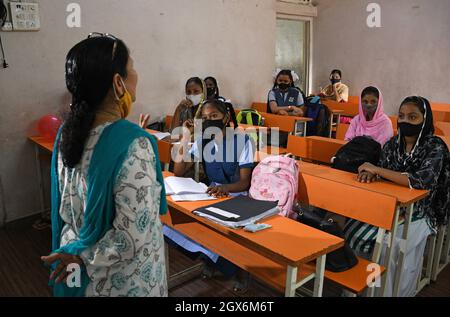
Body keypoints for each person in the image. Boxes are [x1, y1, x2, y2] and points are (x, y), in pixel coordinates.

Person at [41, 34, 168, 297]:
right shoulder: (133, 143)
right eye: (132, 68)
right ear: (118, 83)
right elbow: (132, 237)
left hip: (72, 262)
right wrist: (82, 258)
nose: (137, 75)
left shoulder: (66, 133)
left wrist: (74, 255)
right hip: (120, 280)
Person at [350, 96, 449, 296]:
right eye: (402, 116)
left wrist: (377, 170)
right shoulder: (392, 144)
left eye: (413, 117)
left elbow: (422, 181)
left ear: (425, 119)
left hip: (422, 210)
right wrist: (371, 173)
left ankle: (389, 292)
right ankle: (365, 289)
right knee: (354, 235)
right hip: (389, 205)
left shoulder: (435, 146)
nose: (405, 122)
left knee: (389, 246)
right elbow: (382, 174)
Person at [166, 99, 254, 290]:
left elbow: (244, 182)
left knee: (222, 227)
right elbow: (179, 171)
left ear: (226, 117)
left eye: (214, 116)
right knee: (181, 224)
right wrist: (186, 136)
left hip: (237, 195)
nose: (209, 121)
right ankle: (213, 259)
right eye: (205, 118)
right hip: (213, 193)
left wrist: (226, 188)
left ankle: (241, 270)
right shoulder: (203, 141)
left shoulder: (243, 141)